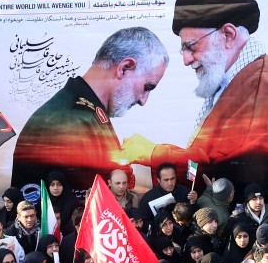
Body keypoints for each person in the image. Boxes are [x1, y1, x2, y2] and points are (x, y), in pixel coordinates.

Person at [149, 0, 268, 189]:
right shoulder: (236, 78)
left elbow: (237, 172)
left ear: (228, 35)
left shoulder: (264, 86)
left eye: (191, 47)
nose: (186, 60)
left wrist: (157, 154)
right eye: (183, 50)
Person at [12, 26, 170, 190]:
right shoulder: (74, 121)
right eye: (147, 87)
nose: (143, 101)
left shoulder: (85, 111)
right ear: (125, 67)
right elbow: (90, 209)